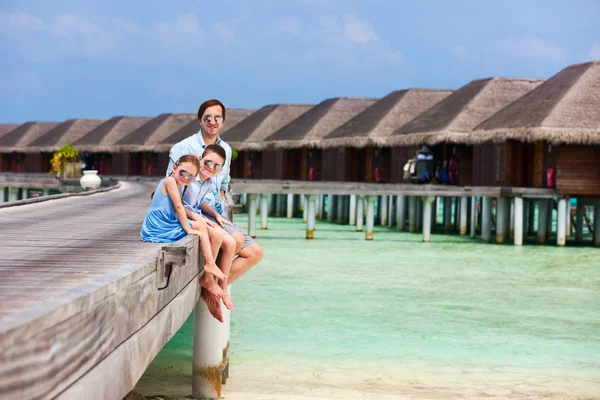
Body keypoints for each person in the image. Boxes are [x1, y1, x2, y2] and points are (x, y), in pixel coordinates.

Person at [167, 99, 264, 317]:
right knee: (235, 241)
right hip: (192, 212)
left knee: (255, 253)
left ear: (223, 121)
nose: (212, 121)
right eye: (207, 117)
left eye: (217, 118)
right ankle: (213, 287)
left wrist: (219, 213)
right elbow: (171, 183)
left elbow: (222, 184)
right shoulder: (184, 147)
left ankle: (212, 289)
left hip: (213, 212)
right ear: (199, 119)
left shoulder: (225, 149)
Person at [142, 154, 228, 301]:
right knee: (200, 228)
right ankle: (210, 264)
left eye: (191, 176)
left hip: (164, 222)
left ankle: (210, 266)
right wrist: (188, 229)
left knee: (201, 226)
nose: (186, 178)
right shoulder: (170, 181)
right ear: (174, 167)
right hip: (159, 225)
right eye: (183, 172)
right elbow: (179, 207)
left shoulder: (178, 184)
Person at [183, 144, 236, 321]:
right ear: (200, 159)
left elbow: (200, 203)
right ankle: (208, 278)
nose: (211, 168)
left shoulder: (209, 181)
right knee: (220, 235)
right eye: (208, 162)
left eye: (217, 166)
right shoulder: (189, 177)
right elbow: (179, 204)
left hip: (195, 215)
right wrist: (199, 218)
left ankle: (223, 287)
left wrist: (215, 215)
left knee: (231, 243)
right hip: (181, 218)